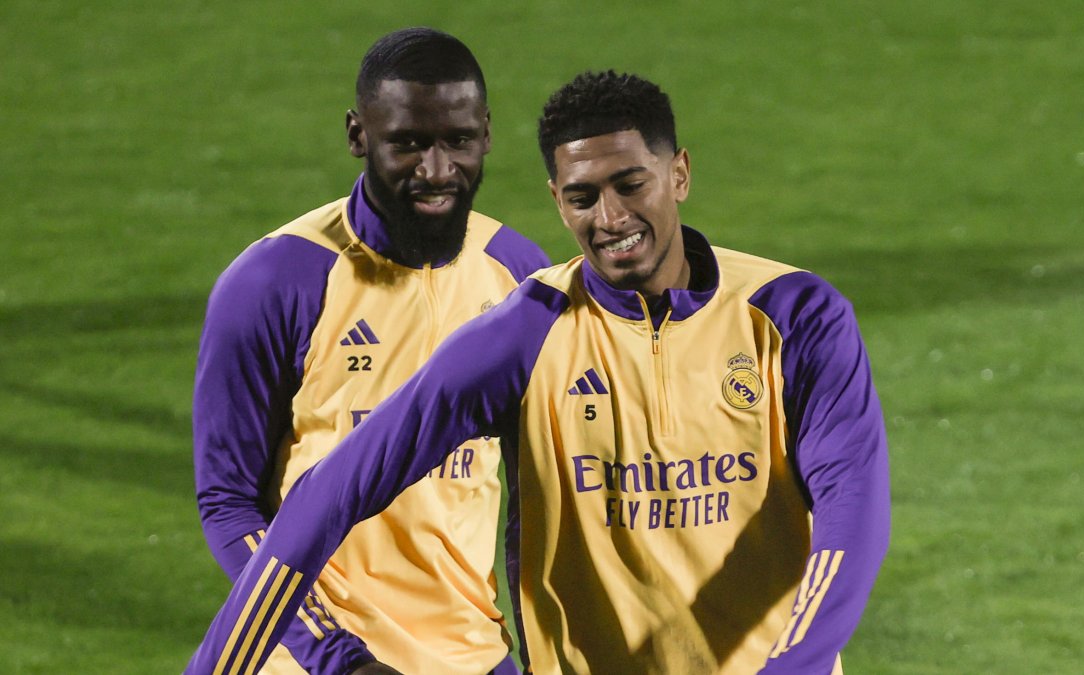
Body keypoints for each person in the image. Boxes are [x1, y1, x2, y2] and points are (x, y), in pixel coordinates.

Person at [187, 70, 889, 675]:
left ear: (678, 173)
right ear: (557, 200)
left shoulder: (794, 315)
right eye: (583, 196)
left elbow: (852, 514)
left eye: (630, 184)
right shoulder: (526, 334)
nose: (611, 218)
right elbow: (327, 498)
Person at [191, 27, 548, 675]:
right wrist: (338, 657)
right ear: (358, 135)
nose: (437, 170)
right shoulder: (276, 281)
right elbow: (229, 503)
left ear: (487, 133)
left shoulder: (520, 277)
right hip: (309, 656)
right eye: (408, 144)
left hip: (471, 652)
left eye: (457, 142)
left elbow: (540, 497)